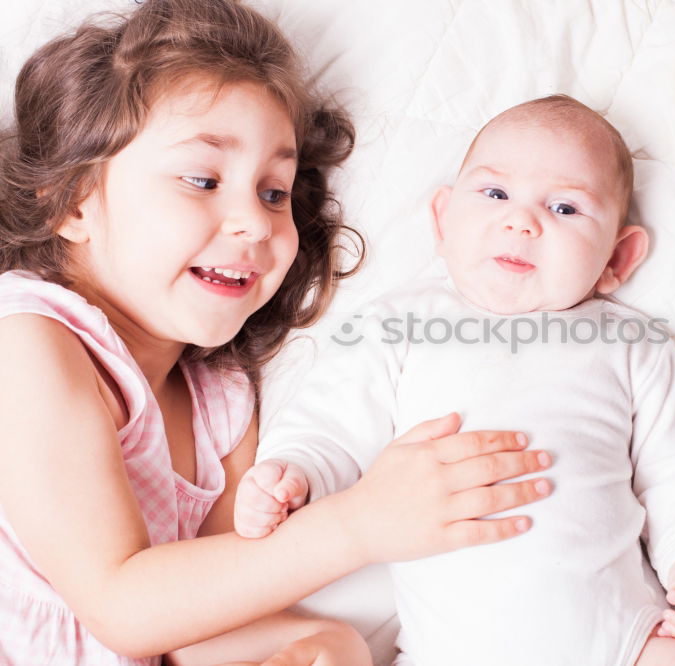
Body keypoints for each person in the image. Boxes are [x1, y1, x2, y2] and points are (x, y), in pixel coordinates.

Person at [0, 1, 552, 664]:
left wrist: (315, 642)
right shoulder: (30, 339)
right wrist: (359, 525)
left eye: (274, 192)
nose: (256, 224)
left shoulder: (222, 401)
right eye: (202, 180)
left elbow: (200, 627)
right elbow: (122, 605)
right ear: (71, 202)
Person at [242, 95, 675, 666]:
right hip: (447, 649)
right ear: (442, 220)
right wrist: (292, 474)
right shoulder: (399, 325)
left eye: (566, 208)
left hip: (623, 641)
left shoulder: (634, 345)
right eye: (496, 194)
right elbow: (332, 426)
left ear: (617, 259)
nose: (521, 221)